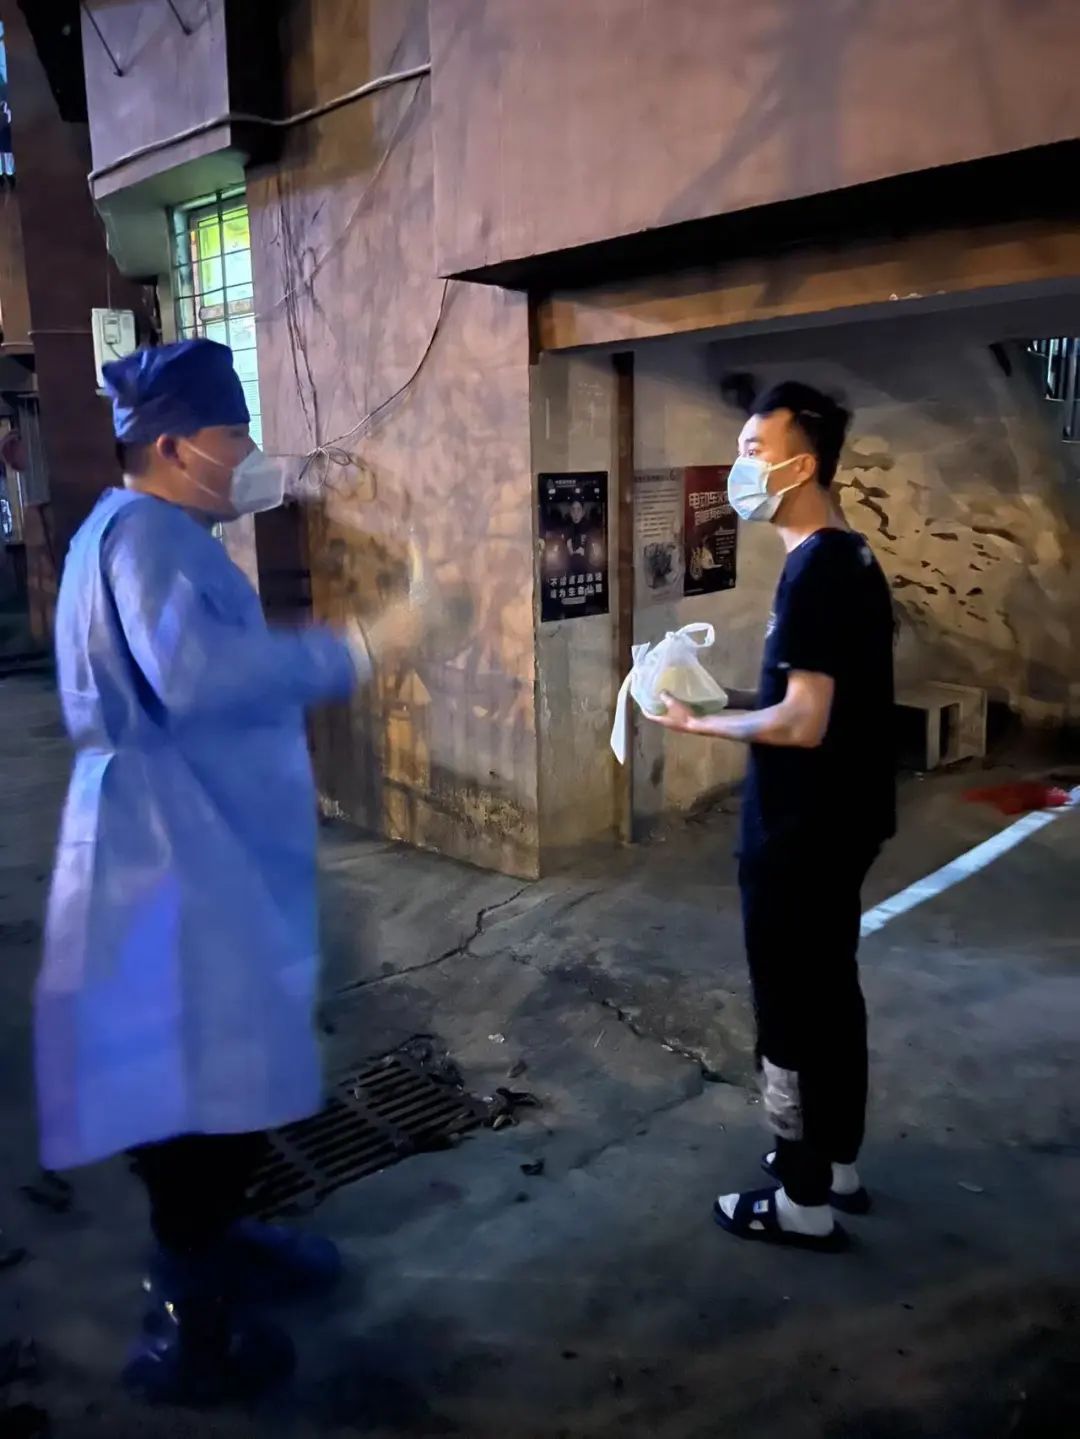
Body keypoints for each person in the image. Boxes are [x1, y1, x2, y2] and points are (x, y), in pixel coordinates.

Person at [35, 339, 417, 1403]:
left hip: (183, 838)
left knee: (211, 1068)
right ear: (172, 446)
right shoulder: (147, 538)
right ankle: (188, 1324)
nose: (248, 453)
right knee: (194, 1086)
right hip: (173, 851)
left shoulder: (137, 532)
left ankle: (221, 1241)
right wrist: (361, 646)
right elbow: (202, 676)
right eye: (232, 433)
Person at [646, 380, 895, 1253]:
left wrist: (698, 724)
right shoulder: (851, 556)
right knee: (832, 993)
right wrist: (728, 697)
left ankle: (800, 1196)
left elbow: (803, 721)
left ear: (803, 464)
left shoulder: (815, 569)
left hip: (798, 833)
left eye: (755, 450)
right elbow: (810, 698)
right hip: (843, 821)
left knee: (789, 1011)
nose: (740, 466)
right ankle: (839, 1163)